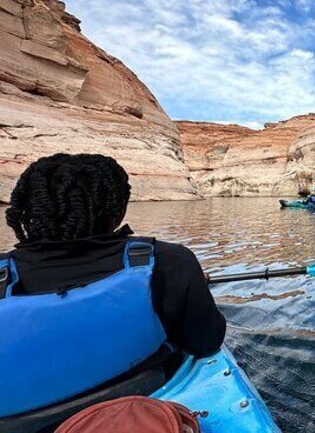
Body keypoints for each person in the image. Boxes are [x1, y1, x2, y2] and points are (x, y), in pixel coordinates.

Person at [0, 154, 226, 422]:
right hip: (146, 407)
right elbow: (206, 342)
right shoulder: (169, 260)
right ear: (117, 210)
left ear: (29, 209)